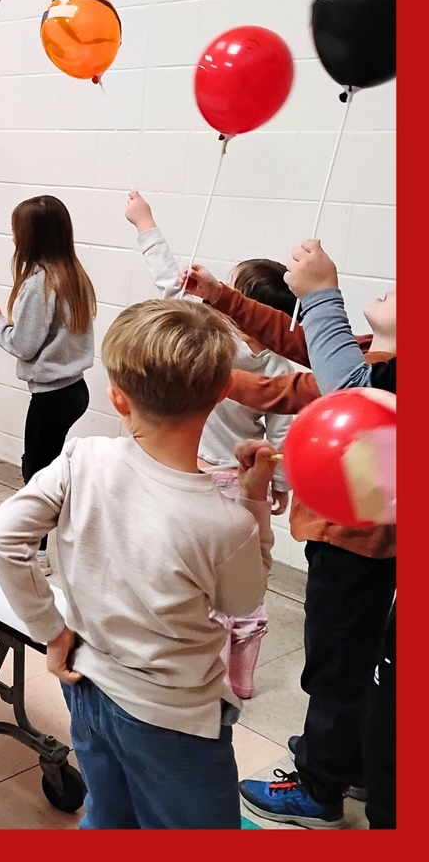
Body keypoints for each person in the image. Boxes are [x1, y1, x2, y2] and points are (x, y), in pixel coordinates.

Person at [0, 299, 276, 829]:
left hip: (88, 689)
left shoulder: (82, 457)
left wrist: (51, 630)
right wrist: (255, 500)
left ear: (118, 398)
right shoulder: (224, 522)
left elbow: (4, 539)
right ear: (221, 393)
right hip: (174, 719)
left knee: (107, 817)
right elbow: (242, 600)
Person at [182, 255, 395, 828]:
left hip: (355, 547)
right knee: (356, 664)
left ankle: (319, 790)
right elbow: (302, 346)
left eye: (402, 294)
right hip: (350, 541)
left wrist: (324, 291)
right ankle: (345, 761)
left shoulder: (385, 378)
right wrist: (221, 297)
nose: (388, 290)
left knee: (335, 668)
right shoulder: (377, 354)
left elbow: (311, 383)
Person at [125, 190, 295, 698]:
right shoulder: (282, 365)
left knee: (200, 579)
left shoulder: (211, 348)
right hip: (244, 482)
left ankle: (203, 670)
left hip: (200, 478)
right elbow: (282, 431)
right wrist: (278, 485)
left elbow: (166, 287)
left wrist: (145, 222)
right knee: (245, 575)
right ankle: (242, 674)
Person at [0, 195, 96, 574]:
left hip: (52, 396)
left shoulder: (39, 285)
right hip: (74, 390)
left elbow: (23, 345)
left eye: (17, 232)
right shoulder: (74, 275)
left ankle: (41, 550)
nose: (14, 239)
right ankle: (55, 537)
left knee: (37, 471)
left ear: (31, 238)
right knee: (46, 466)